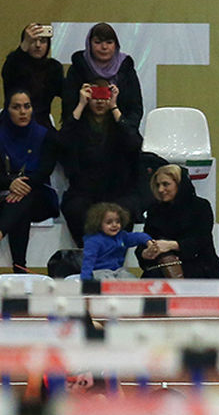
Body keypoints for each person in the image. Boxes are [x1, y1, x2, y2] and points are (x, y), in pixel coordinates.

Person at [58, 80, 143, 246]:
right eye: (95, 96)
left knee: (125, 210)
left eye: (104, 97)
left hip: (117, 189)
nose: (99, 102)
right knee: (75, 209)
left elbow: (135, 143)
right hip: (84, 189)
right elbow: (61, 143)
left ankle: (113, 256)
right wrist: (80, 104)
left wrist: (115, 108)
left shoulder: (119, 124)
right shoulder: (78, 123)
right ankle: (89, 253)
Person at [0, 90, 57, 271]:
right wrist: (10, 183)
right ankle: (20, 268)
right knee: (20, 208)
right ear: (7, 111)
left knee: (22, 199)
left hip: (39, 196)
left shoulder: (43, 135)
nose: (23, 112)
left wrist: (23, 185)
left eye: (27, 106)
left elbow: (44, 171)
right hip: (5, 196)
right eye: (16, 107)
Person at [138, 165, 219, 278]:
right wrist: (145, 253)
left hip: (199, 269)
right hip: (162, 270)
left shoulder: (200, 206)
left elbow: (201, 240)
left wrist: (172, 245)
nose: (160, 190)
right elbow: (145, 239)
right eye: (158, 185)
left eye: (166, 184)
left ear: (179, 184)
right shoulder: (155, 210)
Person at [62, 23, 143, 130]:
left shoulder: (126, 68)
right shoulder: (78, 68)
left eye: (109, 42)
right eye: (98, 42)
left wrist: (126, 126)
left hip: (120, 132)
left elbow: (135, 107)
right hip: (83, 133)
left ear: (116, 45)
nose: (104, 47)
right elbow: (68, 107)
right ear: (89, 44)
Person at [3, 24, 63, 127]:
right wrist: (25, 43)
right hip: (12, 124)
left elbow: (65, 91)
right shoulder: (15, 63)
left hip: (42, 123)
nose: (38, 45)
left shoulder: (53, 67)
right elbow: (8, 72)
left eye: (43, 41)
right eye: (33, 41)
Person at [81, 202, 152, 280]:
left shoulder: (122, 236)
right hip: (100, 272)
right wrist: (85, 282)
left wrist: (148, 241)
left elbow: (137, 236)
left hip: (119, 271)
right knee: (110, 285)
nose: (114, 225)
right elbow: (88, 262)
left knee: (133, 281)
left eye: (117, 221)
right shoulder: (93, 241)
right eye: (109, 222)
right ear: (98, 224)